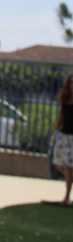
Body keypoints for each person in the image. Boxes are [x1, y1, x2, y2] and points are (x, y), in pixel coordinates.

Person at [52, 73, 73, 205]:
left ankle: (66, 197)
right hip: (64, 135)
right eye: (70, 82)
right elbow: (61, 117)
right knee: (59, 164)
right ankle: (69, 180)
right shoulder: (65, 99)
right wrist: (55, 130)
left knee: (69, 167)